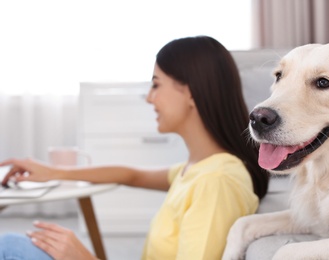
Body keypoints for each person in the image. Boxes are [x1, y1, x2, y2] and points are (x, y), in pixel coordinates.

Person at [0, 35, 269, 260]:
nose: (150, 98)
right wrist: (53, 172)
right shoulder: (200, 168)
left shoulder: (216, 181)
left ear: (189, 92)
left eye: (156, 85)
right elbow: (131, 174)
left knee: (10, 247)